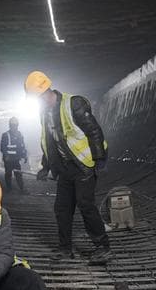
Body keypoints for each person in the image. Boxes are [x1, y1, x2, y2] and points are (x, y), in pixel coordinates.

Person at [23, 70, 111, 265]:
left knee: (86, 205)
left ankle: (103, 247)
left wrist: (98, 161)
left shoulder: (74, 104)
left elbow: (95, 132)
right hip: (64, 168)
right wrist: (46, 166)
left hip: (84, 166)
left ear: (46, 91)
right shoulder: (44, 112)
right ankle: (65, 249)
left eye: (37, 98)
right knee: (62, 208)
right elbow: (49, 141)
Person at [0, 117, 27, 193]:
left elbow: (22, 146)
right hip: (8, 159)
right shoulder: (5, 135)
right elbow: (3, 147)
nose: (14, 127)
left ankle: (21, 188)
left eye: (15, 125)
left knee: (18, 174)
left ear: (17, 125)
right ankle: (9, 189)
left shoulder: (19, 134)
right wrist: (6, 156)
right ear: (10, 125)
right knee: (8, 174)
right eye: (13, 125)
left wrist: (24, 155)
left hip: (16, 159)